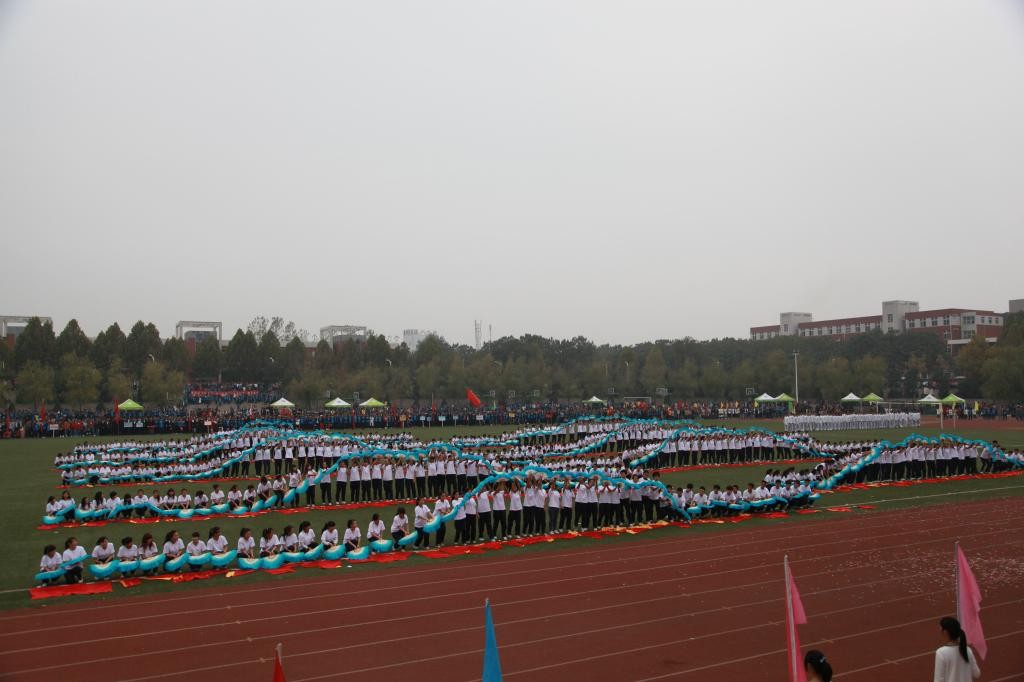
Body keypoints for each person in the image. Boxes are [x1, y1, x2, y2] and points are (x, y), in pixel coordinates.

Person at [934, 616, 980, 682]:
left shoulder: (941, 653)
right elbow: (977, 674)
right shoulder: (967, 650)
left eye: (940, 628)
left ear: (945, 632)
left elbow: (938, 680)